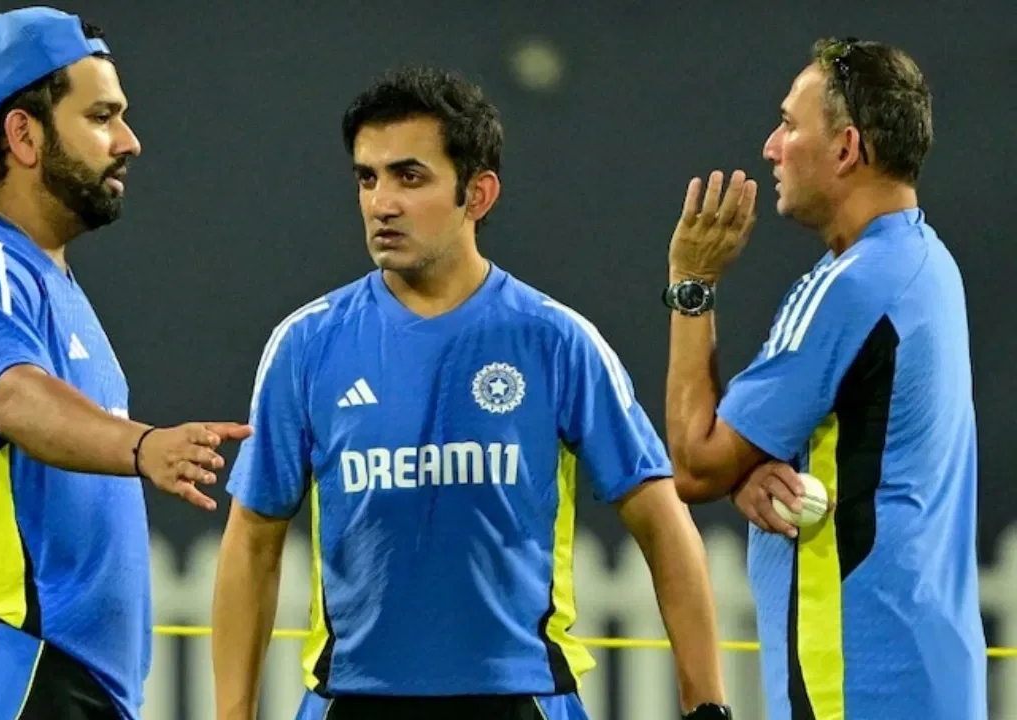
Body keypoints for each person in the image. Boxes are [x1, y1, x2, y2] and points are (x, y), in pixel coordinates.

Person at [211, 66, 732, 720]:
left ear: (478, 194)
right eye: (366, 178)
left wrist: (706, 704)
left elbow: (663, 525)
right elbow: (253, 541)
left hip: (521, 702)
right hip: (352, 702)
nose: (382, 202)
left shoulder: (555, 341)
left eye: (409, 176)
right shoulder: (306, 346)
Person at [0, 7, 251, 719]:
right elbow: (15, 398)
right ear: (23, 134)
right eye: (103, 116)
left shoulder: (44, 278)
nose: (130, 141)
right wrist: (142, 447)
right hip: (5, 662)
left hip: (61, 678)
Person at [662, 37, 986, 719]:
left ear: (845, 148)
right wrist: (748, 472)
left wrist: (691, 284)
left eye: (789, 125)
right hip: (926, 678)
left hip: (854, 681)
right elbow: (860, 445)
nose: (771, 147)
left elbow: (694, 463)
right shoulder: (926, 263)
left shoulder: (850, 287)